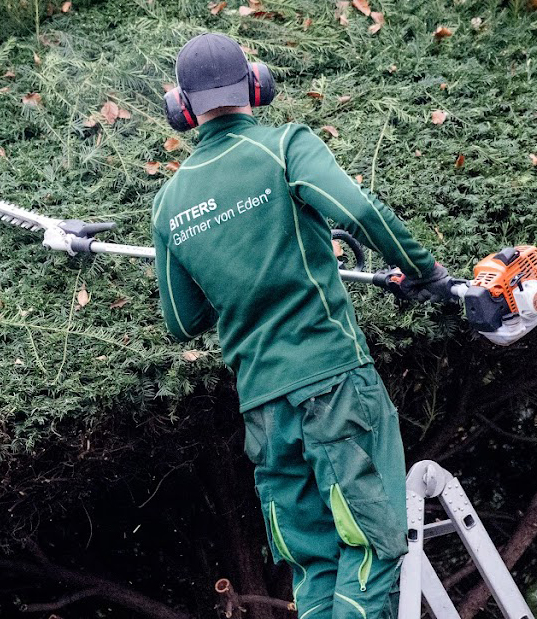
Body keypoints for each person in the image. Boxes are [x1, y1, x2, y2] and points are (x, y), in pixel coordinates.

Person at [151, 33, 456, 619]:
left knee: (314, 562)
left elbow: (183, 321)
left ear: (183, 108)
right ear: (256, 85)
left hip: (265, 414)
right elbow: (362, 212)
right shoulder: (284, 147)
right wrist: (426, 272)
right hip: (334, 385)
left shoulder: (170, 203)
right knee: (371, 544)